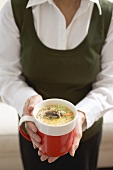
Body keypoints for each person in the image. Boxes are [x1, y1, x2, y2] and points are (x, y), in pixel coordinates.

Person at [0, 0, 113, 169]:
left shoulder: (107, 13)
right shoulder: (15, 8)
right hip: (34, 134)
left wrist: (81, 115)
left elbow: (110, 81)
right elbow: (6, 73)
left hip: (86, 134)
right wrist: (29, 100)